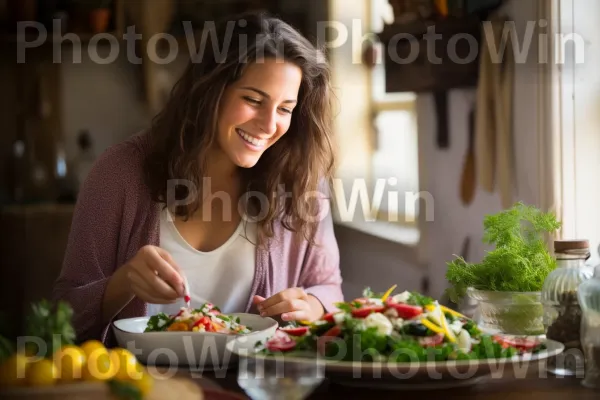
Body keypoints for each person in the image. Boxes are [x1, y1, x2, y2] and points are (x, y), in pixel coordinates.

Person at [52, 11, 344, 345]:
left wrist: (313, 306)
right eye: (252, 99)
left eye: (285, 109)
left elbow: (328, 287)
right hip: (141, 388)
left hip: (250, 391)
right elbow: (64, 317)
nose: (268, 125)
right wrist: (123, 283)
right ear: (210, 92)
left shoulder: (299, 182)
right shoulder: (119, 173)